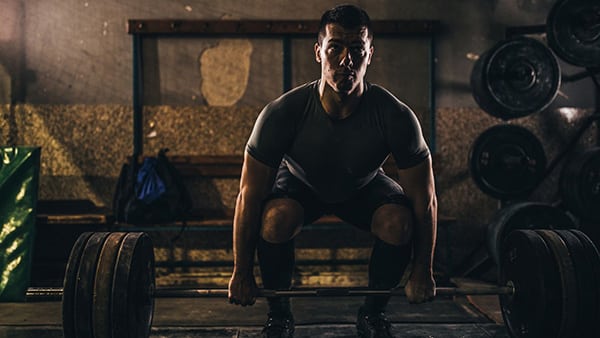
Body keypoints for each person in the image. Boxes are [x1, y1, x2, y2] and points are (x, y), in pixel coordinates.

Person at [228, 4, 437, 338]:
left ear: (370, 54)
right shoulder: (282, 113)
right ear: (318, 52)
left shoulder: (395, 116)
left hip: (363, 187)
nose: (346, 60)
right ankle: (279, 316)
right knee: (274, 218)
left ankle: (372, 313)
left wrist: (423, 270)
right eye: (335, 48)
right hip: (300, 185)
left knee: (398, 223)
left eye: (356, 49)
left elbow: (425, 201)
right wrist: (241, 272)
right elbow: (248, 197)